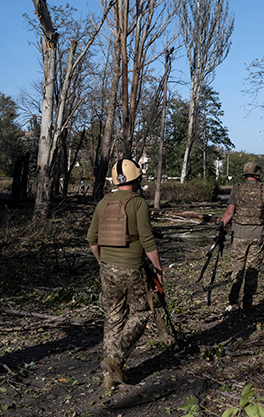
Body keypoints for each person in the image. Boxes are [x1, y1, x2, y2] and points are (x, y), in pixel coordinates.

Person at [87, 158, 163, 390]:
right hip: (132, 269)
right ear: (136, 179)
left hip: (107, 268)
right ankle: (115, 359)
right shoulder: (138, 203)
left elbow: (91, 239)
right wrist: (158, 271)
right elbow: (147, 240)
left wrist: (101, 261)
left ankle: (108, 378)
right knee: (141, 313)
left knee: (113, 317)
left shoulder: (103, 202)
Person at [218, 162, 264, 313]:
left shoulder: (237, 188)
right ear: (257, 174)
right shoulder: (263, 189)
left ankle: (234, 297)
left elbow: (229, 212)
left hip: (238, 235)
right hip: (257, 236)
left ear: (245, 174)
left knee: (238, 267)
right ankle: (247, 303)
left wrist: (221, 226)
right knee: (252, 270)